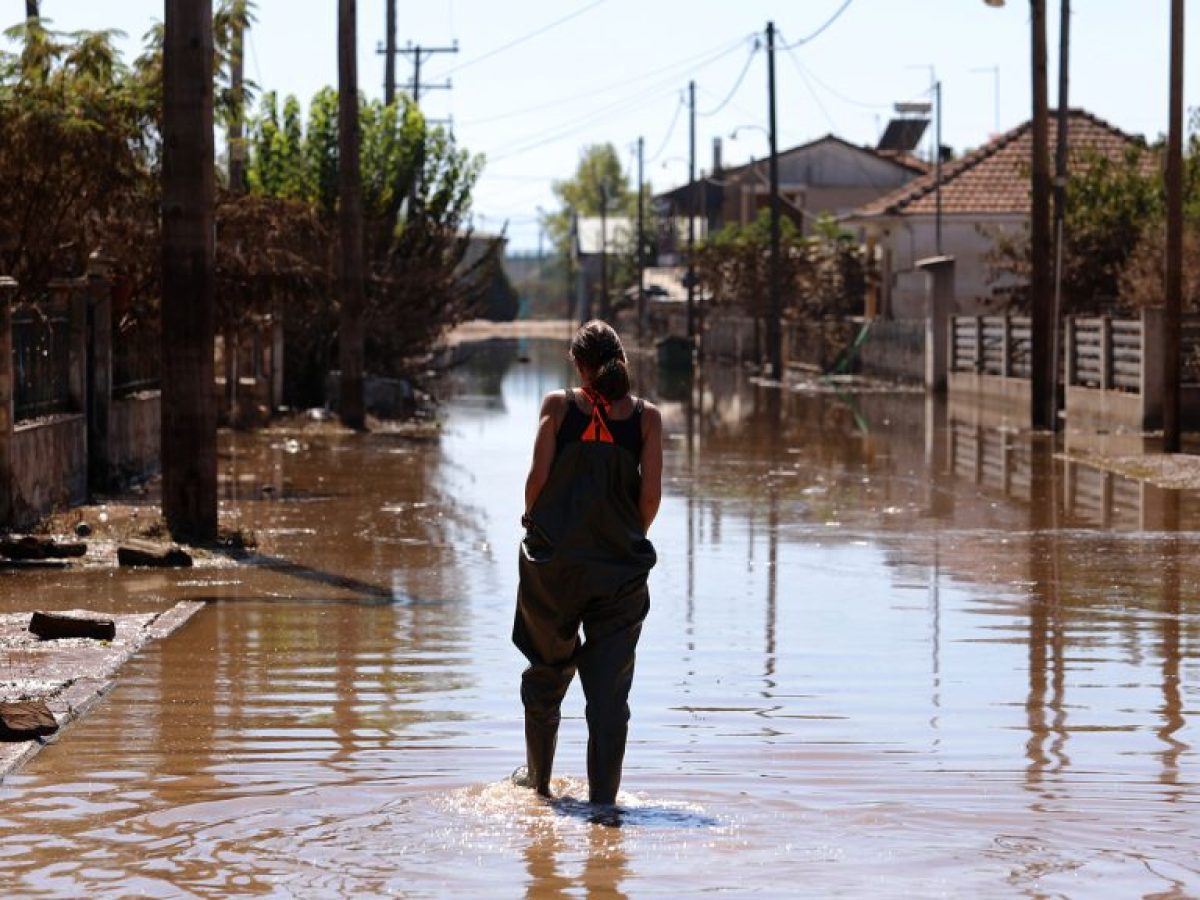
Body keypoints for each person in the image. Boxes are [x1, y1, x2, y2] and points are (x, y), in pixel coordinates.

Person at [512, 320, 663, 806]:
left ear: (578, 365)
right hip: (619, 572)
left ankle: (537, 786)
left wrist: (533, 522)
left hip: (555, 569)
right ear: (622, 361)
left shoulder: (557, 407)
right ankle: (603, 807)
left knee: (546, 675)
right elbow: (650, 499)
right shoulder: (646, 419)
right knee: (608, 696)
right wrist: (624, 538)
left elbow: (536, 481)